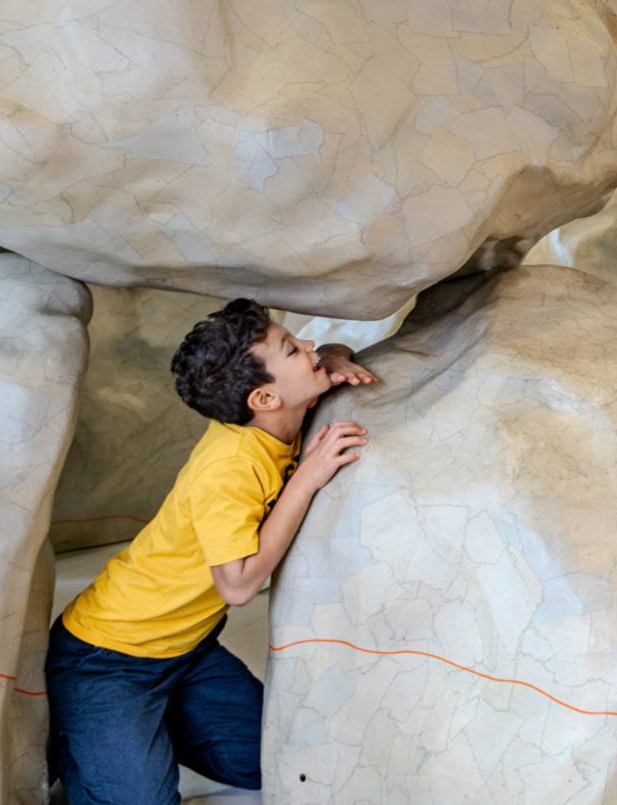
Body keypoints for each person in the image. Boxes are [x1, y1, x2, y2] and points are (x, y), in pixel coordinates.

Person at [46, 300, 376, 804]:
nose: (307, 348)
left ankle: (147, 729)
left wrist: (330, 356)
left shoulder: (278, 412)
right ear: (264, 397)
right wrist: (306, 480)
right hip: (107, 657)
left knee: (272, 762)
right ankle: (88, 741)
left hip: (188, 652)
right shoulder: (229, 467)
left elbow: (331, 352)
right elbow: (239, 585)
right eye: (293, 349)